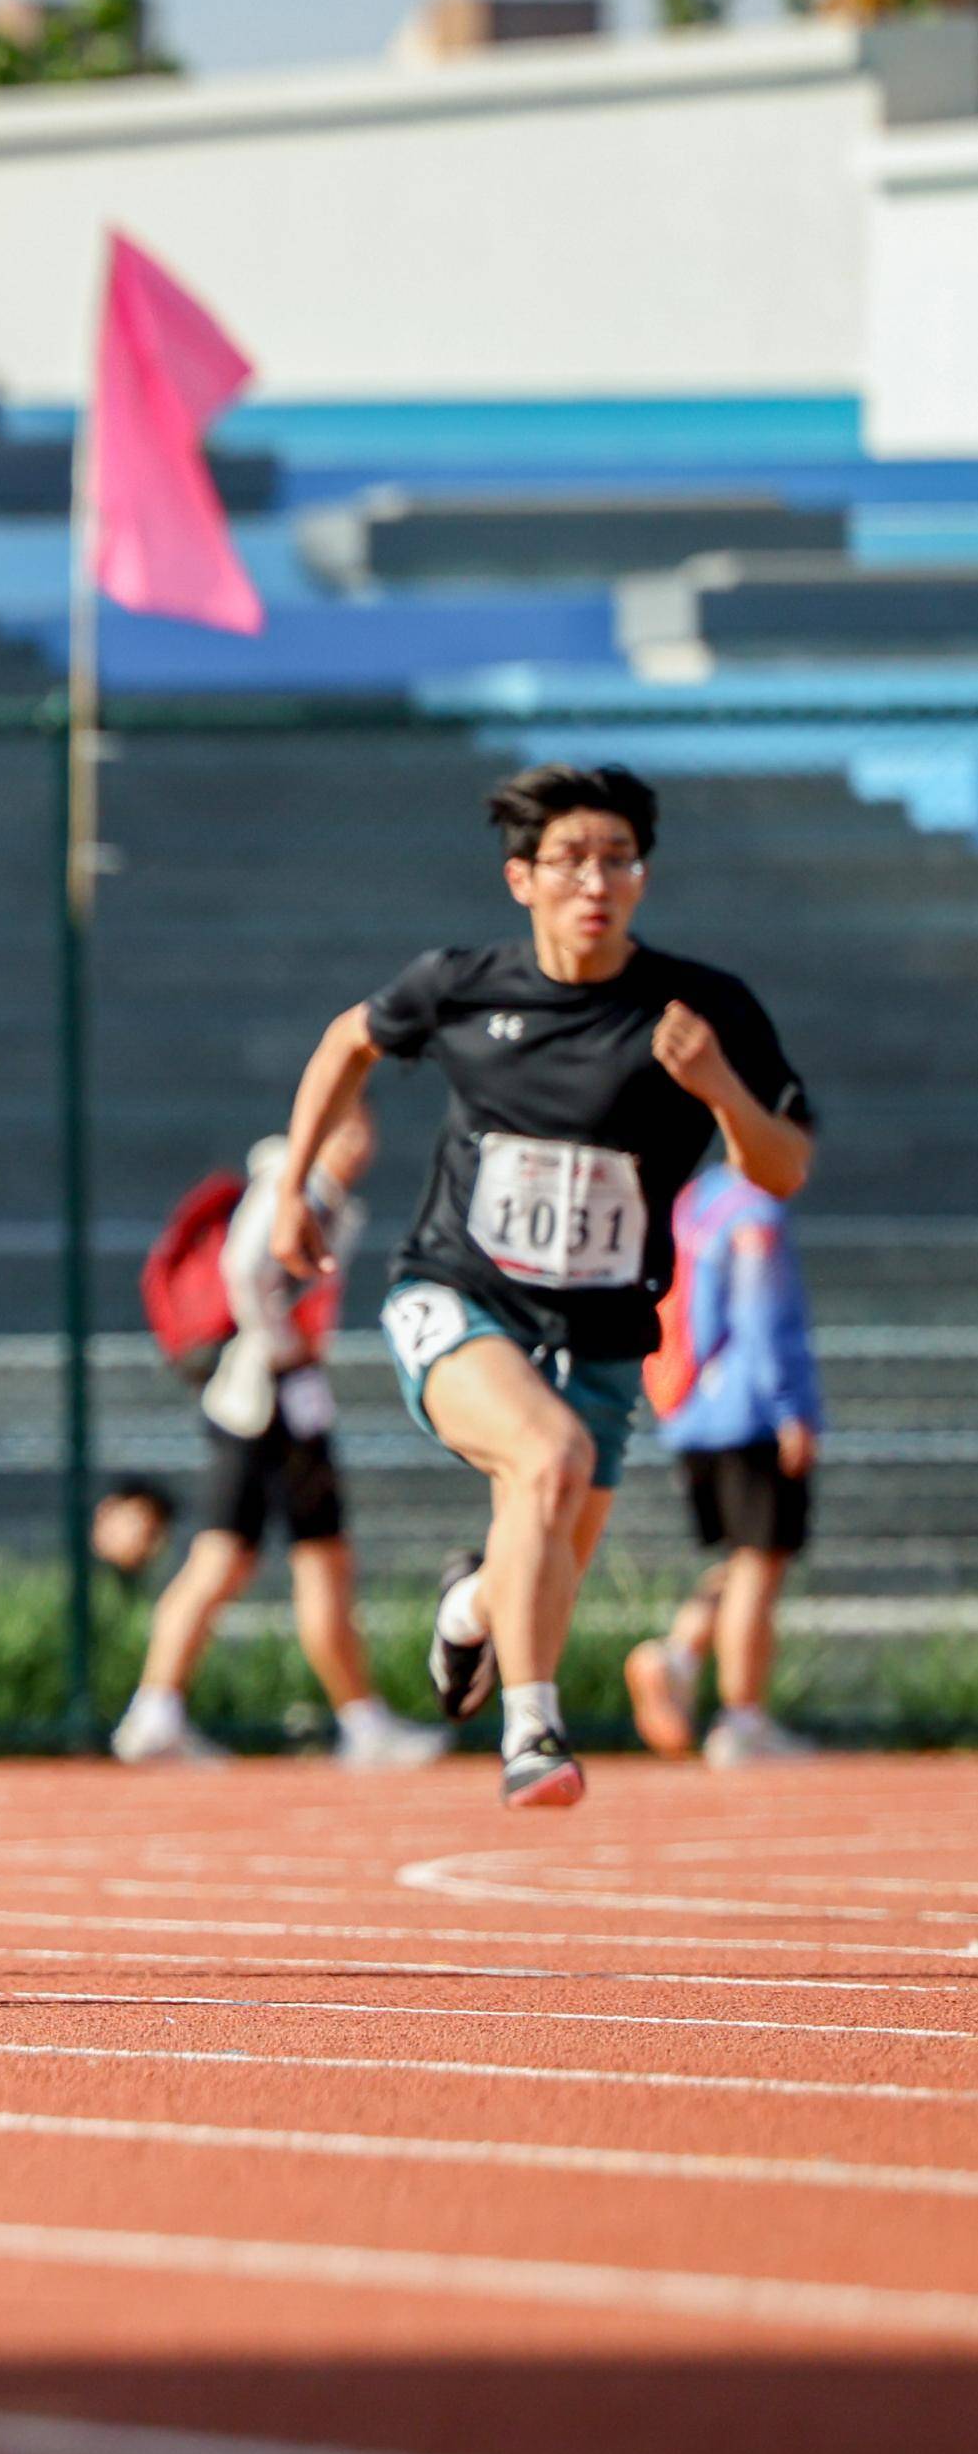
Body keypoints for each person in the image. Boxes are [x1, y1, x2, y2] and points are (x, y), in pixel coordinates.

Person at [243, 760, 813, 1812]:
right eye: (568, 860)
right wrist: (292, 1195)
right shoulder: (461, 983)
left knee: (545, 1539)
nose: (593, 880)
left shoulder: (700, 1007)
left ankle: (466, 1608)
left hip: (598, 1331)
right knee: (545, 1456)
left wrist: (719, 1088)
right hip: (455, 1297)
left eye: (616, 859)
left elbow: (780, 1166)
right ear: (522, 878)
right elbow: (345, 1040)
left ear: (640, 875)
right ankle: (532, 1731)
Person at [116, 1124, 447, 1769]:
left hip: (274, 1404)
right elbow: (244, 1269)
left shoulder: (325, 1201)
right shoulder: (289, 1189)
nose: (358, 1144)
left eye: (362, 1129)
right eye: (343, 1127)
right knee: (265, 1561)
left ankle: (165, 1710)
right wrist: (283, 1351)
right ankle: (163, 1711)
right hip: (262, 1407)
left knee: (279, 1560)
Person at [632, 1159, 823, 1761]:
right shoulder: (754, 1212)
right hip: (749, 1410)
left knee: (741, 1559)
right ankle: (744, 1720)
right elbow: (759, 1318)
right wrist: (792, 1408)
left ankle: (679, 1655)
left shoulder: (694, 1199)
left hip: (690, 1412)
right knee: (762, 1564)